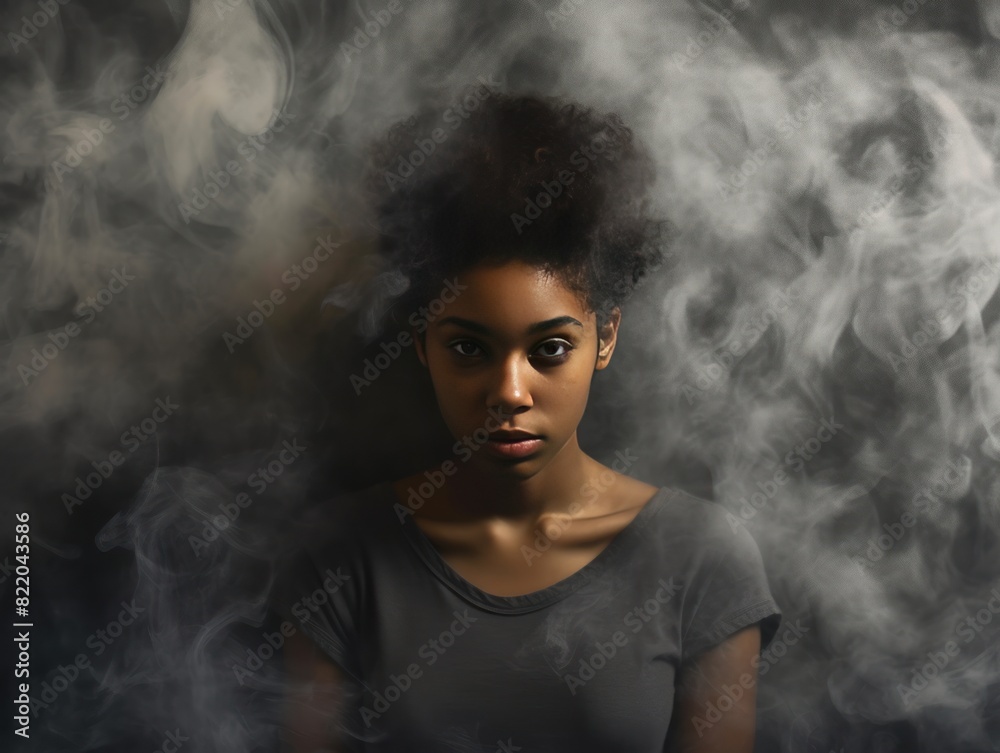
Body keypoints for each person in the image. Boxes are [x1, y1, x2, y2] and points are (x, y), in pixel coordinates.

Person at [272, 86, 781, 752]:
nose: (509, 391)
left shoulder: (700, 560)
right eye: (468, 348)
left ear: (605, 339)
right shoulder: (339, 557)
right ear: (423, 342)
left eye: (549, 349)